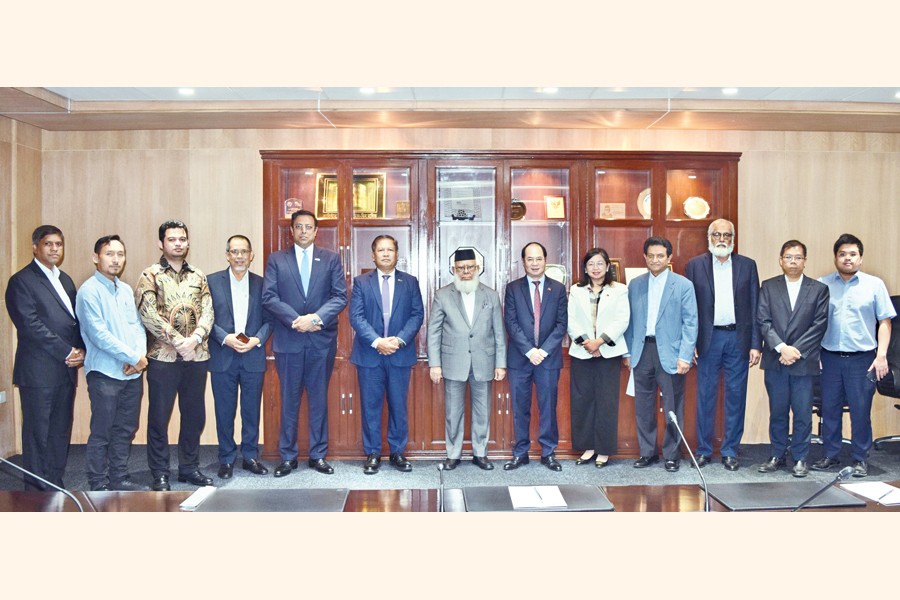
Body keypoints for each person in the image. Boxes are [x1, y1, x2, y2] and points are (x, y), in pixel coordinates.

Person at [262, 209, 347, 477]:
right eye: (298, 227)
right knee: (289, 401)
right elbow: (269, 297)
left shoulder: (331, 259)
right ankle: (288, 457)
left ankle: (318, 455)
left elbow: (339, 296)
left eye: (308, 227)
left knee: (319, 400)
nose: (303, 231)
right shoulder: (277, 260)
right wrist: (295, 319)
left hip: (321, 341)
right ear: (291, 230)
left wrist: (316, 319)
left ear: (315, 231)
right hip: (289, 340)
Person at [136, 220, 214, 491]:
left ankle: (189, 468)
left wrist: (194, 339)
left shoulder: (199, 276)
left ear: (188, 242)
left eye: (182, 238)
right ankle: (159, 472)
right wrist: (178, 341)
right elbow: (147, 313)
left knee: (194, 416)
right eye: (172, 239)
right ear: (162, 243)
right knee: (159, 417)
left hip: (196, 356)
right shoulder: (150, 275)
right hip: (163, 358)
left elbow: (208, 311)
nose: (178, 243)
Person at [5, 225, 84, 490]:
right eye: (48, 244)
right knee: (38, 434)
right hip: (38, 372)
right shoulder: (21, 281)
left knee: (60, 431)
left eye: (58, 244)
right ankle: (36, 491)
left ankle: (55, 484)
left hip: (65, 371)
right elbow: (30, 325)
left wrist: (80, 350)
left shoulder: (65, 280)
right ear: (35, 246)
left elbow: (75, 322)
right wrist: (66, 351)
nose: (54, 249)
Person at [813, 233, 895, 478]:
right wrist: (815, 352)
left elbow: (885, 322)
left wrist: (881, 356)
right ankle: (830, 455)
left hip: (863, 360)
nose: (847, 258)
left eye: (852, 254)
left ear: (860, 258)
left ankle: (860, 458)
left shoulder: (874, 285)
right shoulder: (822, 284)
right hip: (829, 358)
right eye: (842, 254)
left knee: (860, 411)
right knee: (829, 409)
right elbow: (815, 323)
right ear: (835, 257)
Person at [684, 218, 761, 471]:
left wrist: (755, 344)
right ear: (709, 237)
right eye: (717, 234)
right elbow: (690, 309)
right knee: (705, 396)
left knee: (736, 397)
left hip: (738, 338)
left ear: (733, 238)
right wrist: (691, 341)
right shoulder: (694, 266)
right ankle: (704, 450)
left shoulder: (747, 266)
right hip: (708, 340)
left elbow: (755, 307)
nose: (722, 239)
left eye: (727, 235)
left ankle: (730, 451)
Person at [75, 235, 148, 491]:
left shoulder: (126, 290)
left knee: (126, 429)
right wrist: (133, 357)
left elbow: (137, 327)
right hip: (105, 373)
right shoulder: (88, 291)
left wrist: (139, 358)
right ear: (96, 258)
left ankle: (119, 478)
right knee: (102, 432)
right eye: (109, 254)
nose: (116, 259)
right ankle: (97, 484)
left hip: (131, 374)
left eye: (120, 254)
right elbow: (98, 335)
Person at [349, 235, 424, 474]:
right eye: (380, 250)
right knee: (370, 406)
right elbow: (356, 317)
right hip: (370, 355)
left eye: (389, 250)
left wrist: (399, 340)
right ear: (373, 255)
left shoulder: (410, 282)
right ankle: (372, 453)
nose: (385, 254)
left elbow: (417, 315)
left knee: (398, 406)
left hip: (400, 354)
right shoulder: (361, 282)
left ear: (397, 253)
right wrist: (377, 341)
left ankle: (397, 453)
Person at [427, 248, 507, 471]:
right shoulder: (443, 295)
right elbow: (433, 332)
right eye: (461, 268)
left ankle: (480, 453)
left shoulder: (490, 295)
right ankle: (453, 454)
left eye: (470, 267)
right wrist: (435, 364)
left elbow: (499, 332)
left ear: (478, 268)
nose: (465, 272)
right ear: (454, 270)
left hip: (484, 362)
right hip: (453, 362)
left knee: (483, 410)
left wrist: (500, 363)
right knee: (453, 411)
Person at [624, 236, 698, 472]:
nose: (655, 260)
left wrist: (685, 356)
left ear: (669, 258)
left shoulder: (683, 285)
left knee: (672, 407)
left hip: (672, 354)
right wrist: (627, 353)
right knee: (643, 406)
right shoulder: (635, 284)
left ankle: (672, 454)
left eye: (660, 256)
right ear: (644, 257)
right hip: (641, 351)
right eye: (651, 256)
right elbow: (629, 322)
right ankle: (647, 453)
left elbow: (691, 323)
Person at [756, 240, 829, 478]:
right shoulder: (768, 286)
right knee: (777, 411)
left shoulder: (818, 289)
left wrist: (794, 351)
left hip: (803, 362)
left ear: (805, 261)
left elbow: (819, 325)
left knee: (802, 412)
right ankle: (777, 455)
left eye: (798, 257)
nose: (793, 262)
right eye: (789, 257)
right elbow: (763, 321)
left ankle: (800, 458)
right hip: (776, 361)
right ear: (781, 260)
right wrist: (781, 348)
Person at [207, 235, 272, 479]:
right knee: (224, 411)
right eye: (234, 251)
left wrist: (257, 340)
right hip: (223, 354)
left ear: (251, 255)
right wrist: (225, 338)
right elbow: (207, 318)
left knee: (251, 410)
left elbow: (270, 319)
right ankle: (226, 458)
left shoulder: (262, 283)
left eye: (244, 251)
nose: (239, 256)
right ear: (227, 255)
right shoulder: (212, 282)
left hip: (253, 356)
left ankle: (250, 456)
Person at [503, 242, 568, 471]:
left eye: (538, 258)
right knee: (520, 407)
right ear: (523, 262)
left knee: (548, 407)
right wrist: (530, 350)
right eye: (529, 259)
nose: (534, 263)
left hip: (548, 359)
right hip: (520, 359)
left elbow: (562, 324)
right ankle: (520, 452)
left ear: (545, 260)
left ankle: (548, 452)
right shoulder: (512, 288)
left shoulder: (558, 289)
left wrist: (543, 351)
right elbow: (510, 322)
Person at [567, 248, 629, 468]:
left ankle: (603, 450)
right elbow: (571, 319)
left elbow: (622, 320)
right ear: (585, 268)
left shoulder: (619, 290)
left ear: (607, 266)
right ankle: (588, 448)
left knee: (606, 402)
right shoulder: (576, 290)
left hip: (608, 352)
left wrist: (599, 342)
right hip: (582, 352)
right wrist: (587, 342)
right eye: (591, 264)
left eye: (600, 263)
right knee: (582, 401)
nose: (595, 268)